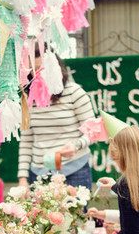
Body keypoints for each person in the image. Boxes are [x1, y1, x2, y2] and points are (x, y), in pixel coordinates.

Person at [18, 49, 95, 190]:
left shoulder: (74, 92)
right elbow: (26, 140)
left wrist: (77, 145)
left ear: (54, 66)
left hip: (74, 170)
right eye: (32, 70)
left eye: (41, 68)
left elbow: (92, 131)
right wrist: (22, 179)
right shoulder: (27, 99)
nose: (36, 74)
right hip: (39, 173)